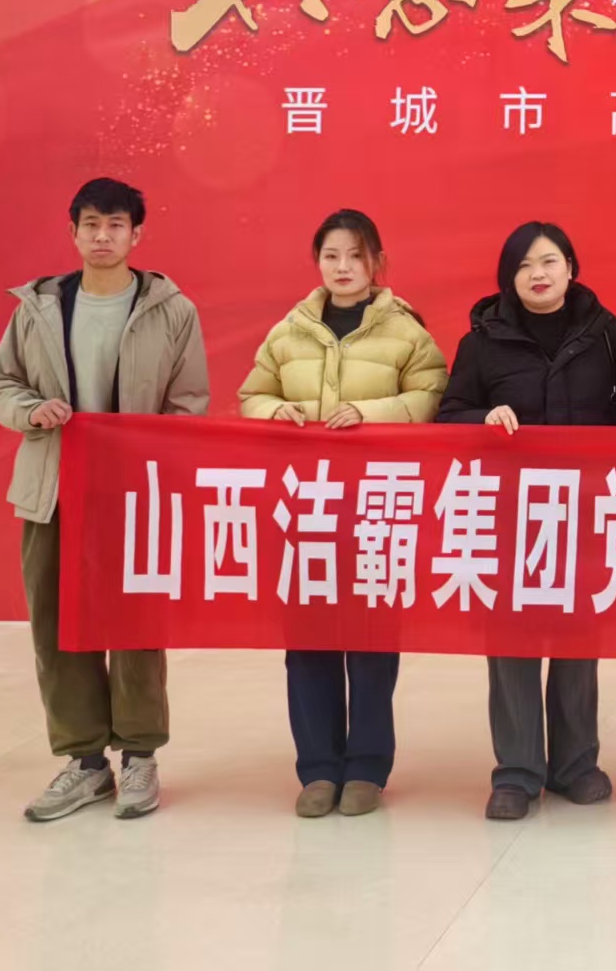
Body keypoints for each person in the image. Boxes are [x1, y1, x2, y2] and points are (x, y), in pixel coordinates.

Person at [0, 178, 208, 822]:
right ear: (73, 233)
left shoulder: (171, 310)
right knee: (58, 628)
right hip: (52, 492)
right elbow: (1, 384)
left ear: (137, 234)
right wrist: (32, 411)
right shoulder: (38, 307)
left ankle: (139, 757)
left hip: (135, 495)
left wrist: (151, 461)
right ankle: (85, 763)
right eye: (91, 224)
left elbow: (188, 403)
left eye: (115, 225)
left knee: (136, 626)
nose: (102, 236)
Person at [237, 209, 446, 818]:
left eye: (356, 255)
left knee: (373, 640)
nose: (344, 267)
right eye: (331, 256)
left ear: (377, 261)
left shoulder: (406, 331)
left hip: (376, 505)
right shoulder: (289, 331)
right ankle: (318, 768)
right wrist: (273, 412)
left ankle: (367, 768)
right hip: (304, 509)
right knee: (307, 641)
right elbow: (253, 394)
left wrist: (371, 415)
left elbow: (433, 394)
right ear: (318, 263)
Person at [437, 221, 616, 821]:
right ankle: (516, 772)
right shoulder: (483, 340)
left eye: (550, 261)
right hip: (510, 512)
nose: (538, 274)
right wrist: (482, 418)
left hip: (585, 508)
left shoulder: (608, 334)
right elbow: (450, 413)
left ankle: (576, 765)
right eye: (525, 265)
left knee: (579, 639)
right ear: (509, 276)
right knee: (512, 642)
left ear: (571, 268)